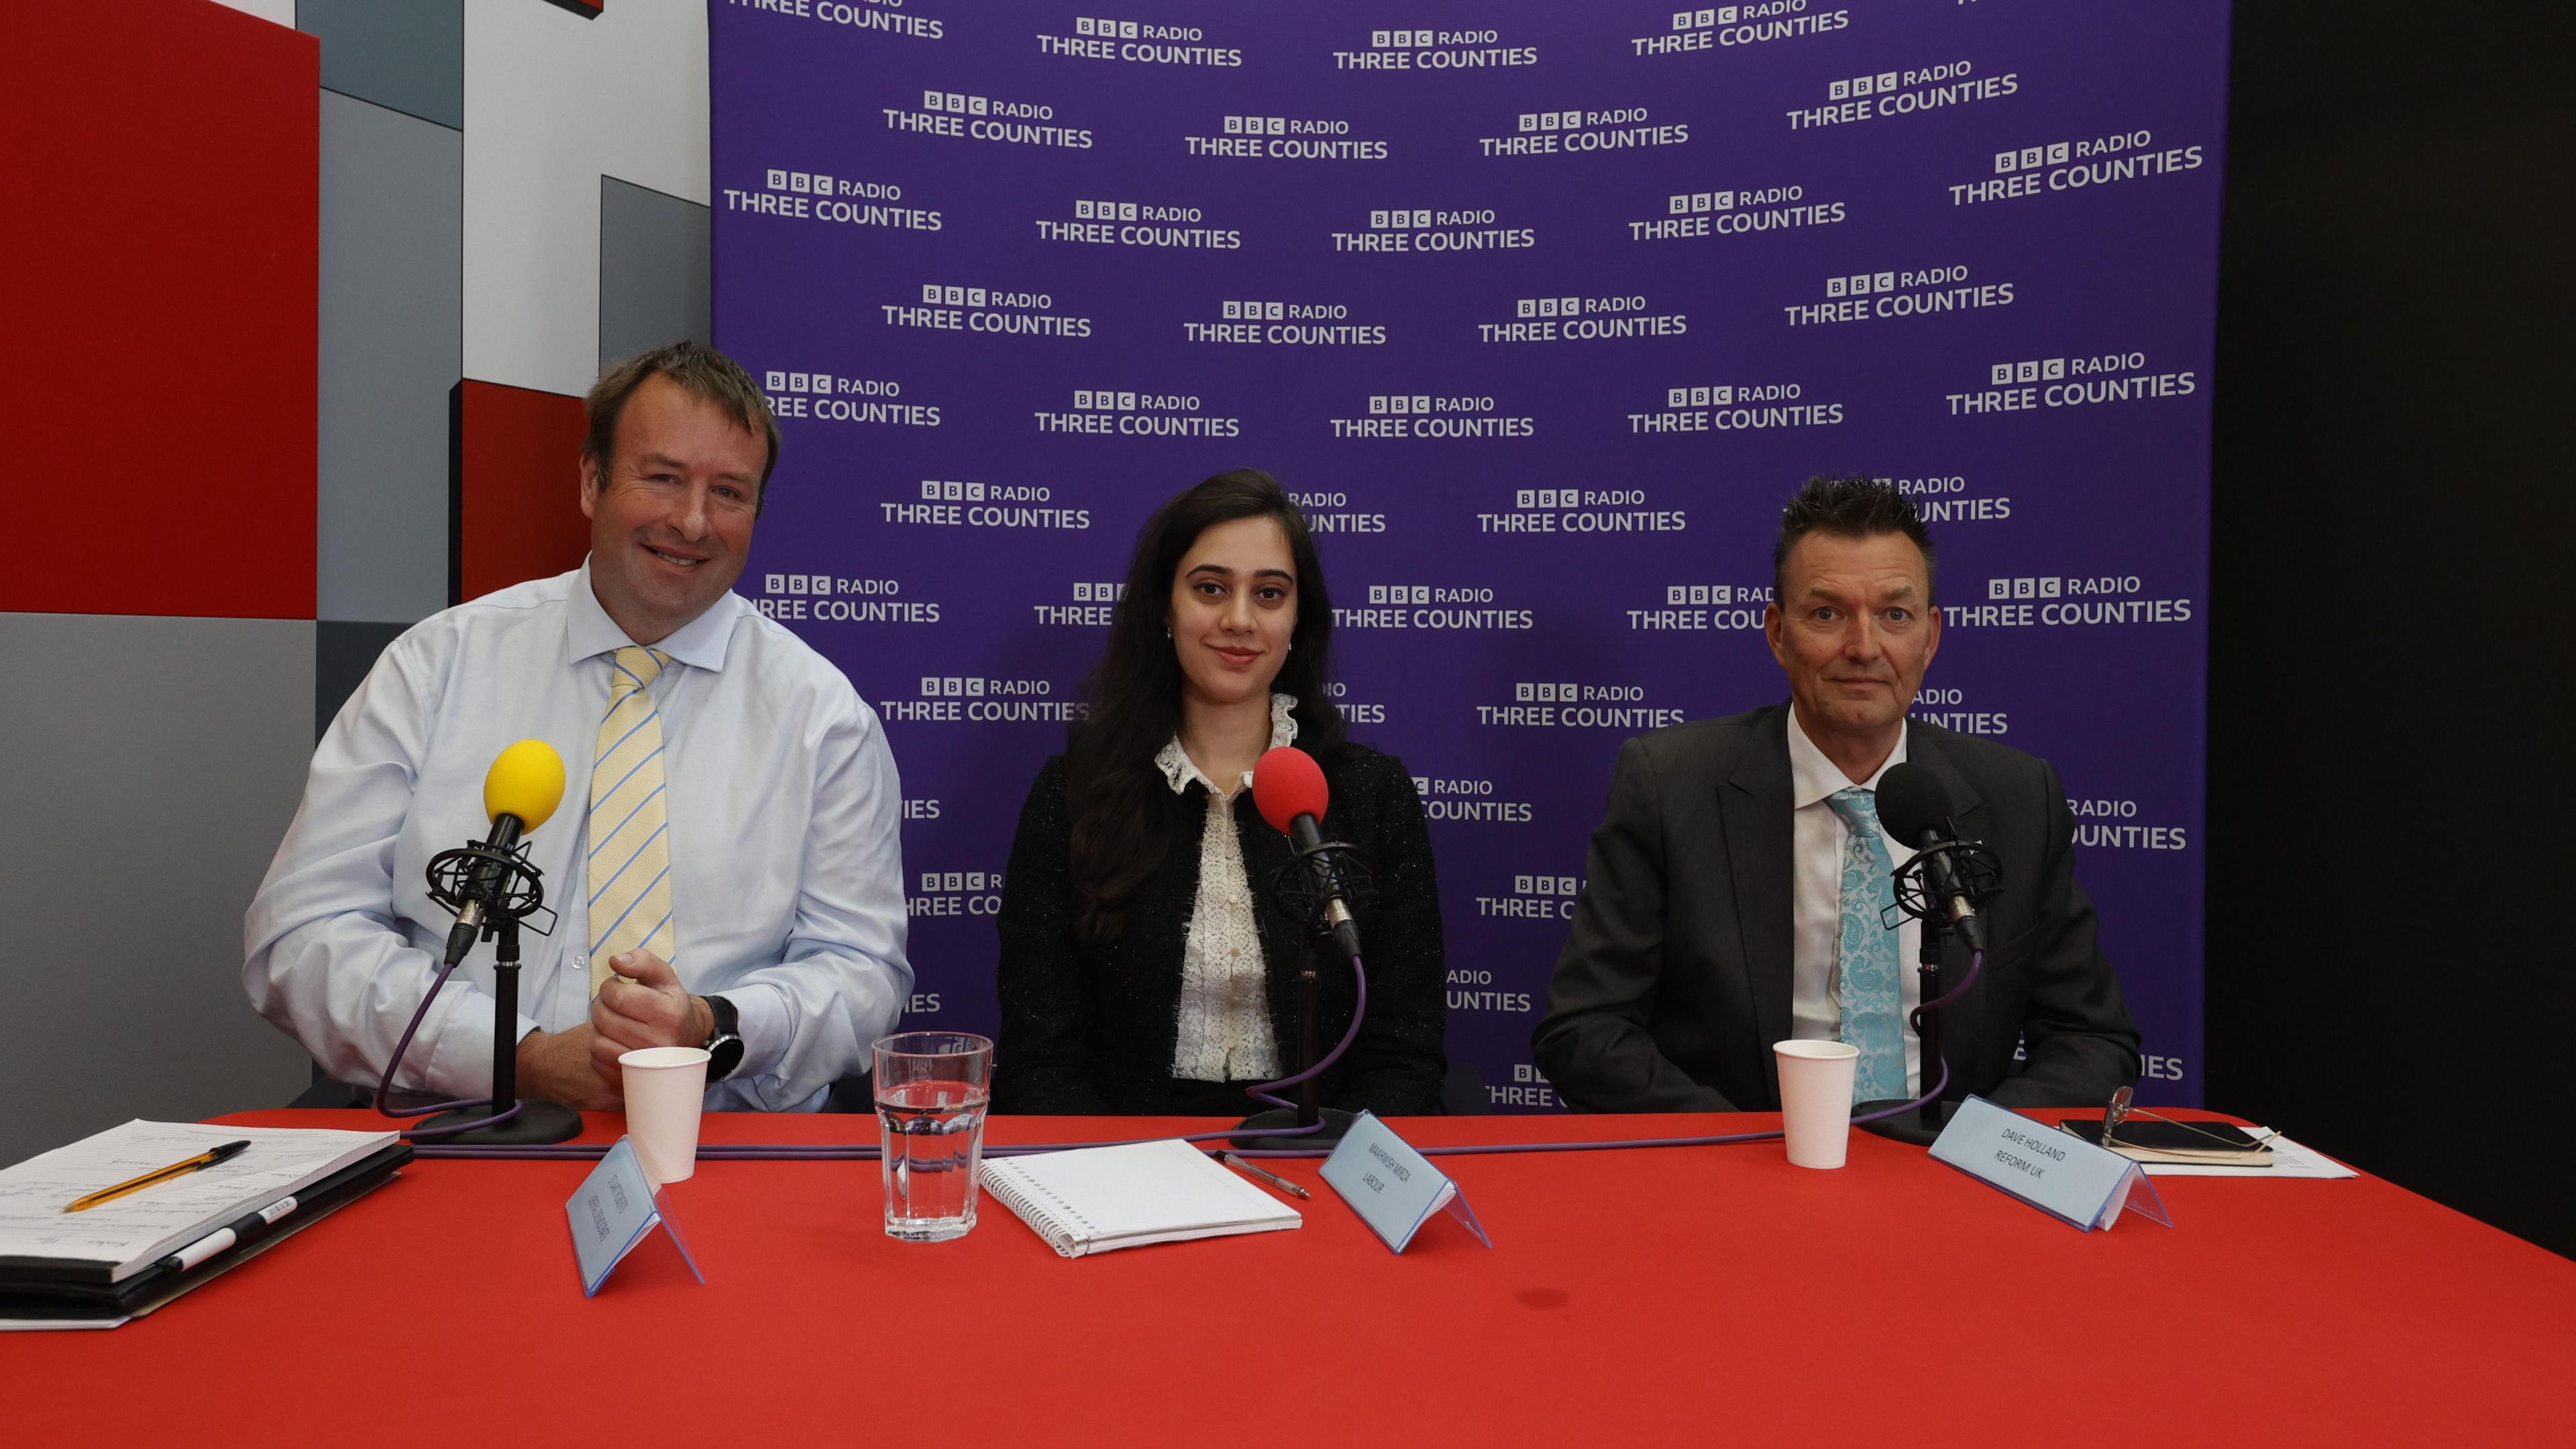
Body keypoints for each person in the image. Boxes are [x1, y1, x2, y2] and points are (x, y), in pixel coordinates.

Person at [244, 341, 911, 1112]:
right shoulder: (438, 668)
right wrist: (512, 1056)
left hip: (722, 1152)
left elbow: (864, 975)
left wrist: (710, 1026)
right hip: (459, 1141)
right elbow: (300, 936)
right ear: (593, 481)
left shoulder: (823, 719)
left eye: (729, 492)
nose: (692, 521)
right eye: (662, 478)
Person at [1532, 474, 2139, 1112]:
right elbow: (1585, 1031)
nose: (1864, 647)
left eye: (1894, 615)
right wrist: (1749, 1155)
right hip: (1742, 1171)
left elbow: (2091, 1039)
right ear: (1777, 632)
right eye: (1827, 614)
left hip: (1945, 1181)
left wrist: (1975, 1151)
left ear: (1930, 637)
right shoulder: (1670, 785)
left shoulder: (2019, 797)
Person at [993, 470, 1447, 1116]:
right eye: (1211, 588)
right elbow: (1042, 1059)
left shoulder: (1373, 794)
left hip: (1322, 1155)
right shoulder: (1073, 795)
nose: (1239, 619)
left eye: (1268, 593)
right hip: (1125, 1168)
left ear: (1297, 619)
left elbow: (1405, 1052)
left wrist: (1342, 1173)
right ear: (1163, 607)